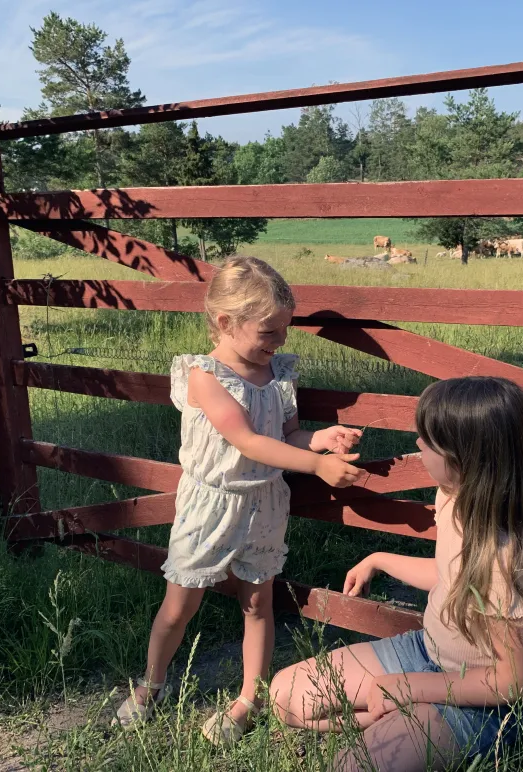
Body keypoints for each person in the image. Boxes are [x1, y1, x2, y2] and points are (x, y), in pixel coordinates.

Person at [115, 256, 363, 745]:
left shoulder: (278, 375)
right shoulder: (206, 377)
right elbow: (247, 441)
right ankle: (152, 684)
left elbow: (286, 434)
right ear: (226, 323)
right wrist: (316, 467)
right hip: (211, 506)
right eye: (269, 332)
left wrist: (321, 440)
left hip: (266, 503)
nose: (279, 342)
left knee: (258, 603)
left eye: (284, 331)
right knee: (179, 604)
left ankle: (249, 698)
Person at [271, 376, 523, 770]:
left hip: (483, 702)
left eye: (427, 442)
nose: (417, 445)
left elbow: (511, 682)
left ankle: (407, 726)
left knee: (351, 766)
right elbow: (451, 576)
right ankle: (399, 722)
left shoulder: (509, 556)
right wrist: (378, 559)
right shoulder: (452, 496)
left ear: (462, 458)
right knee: (284, 695)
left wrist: (409, 687)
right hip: (426, 654)